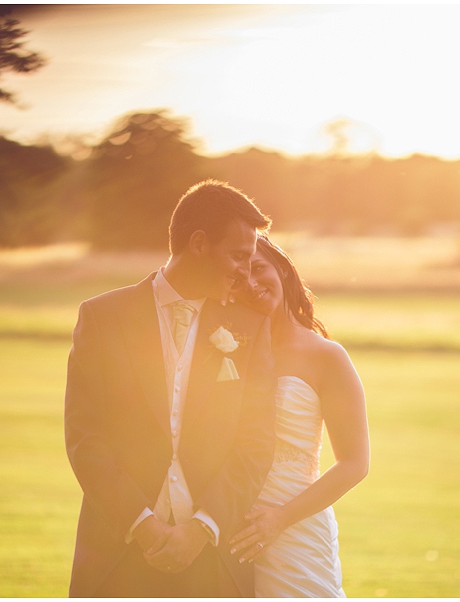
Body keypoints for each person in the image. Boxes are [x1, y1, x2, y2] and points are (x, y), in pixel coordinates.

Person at [64, 180, 277, 597]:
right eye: (237, 256)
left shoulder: (248, 328)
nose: (243, 271)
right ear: (198, 244)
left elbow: (256, 443)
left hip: (216, 562)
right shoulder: (102, 317)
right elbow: (85, 437)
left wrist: (200, 530)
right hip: (117, 557)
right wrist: (143, 527)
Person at [227, 236, 370, 597]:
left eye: (258, 269)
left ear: (284, 271)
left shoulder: (327, 357)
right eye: (239, 279)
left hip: (295, 522)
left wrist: (280, 519)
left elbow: (355, 463)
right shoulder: (227, 348)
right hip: (228, 519)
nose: (252, 284)